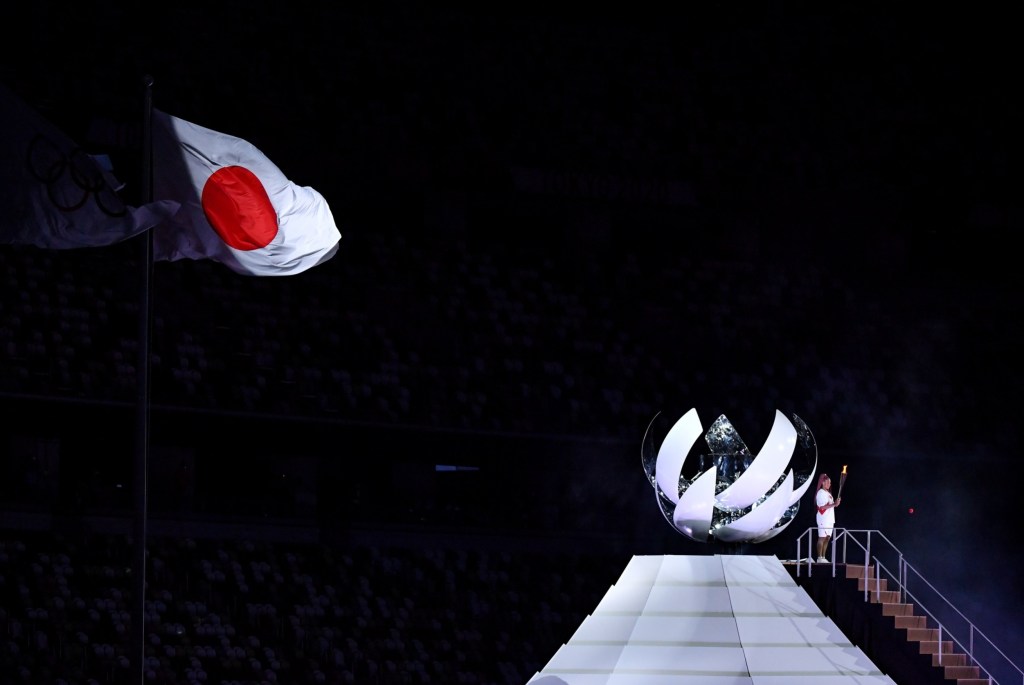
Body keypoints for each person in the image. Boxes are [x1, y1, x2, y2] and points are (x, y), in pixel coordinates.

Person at [814, 473, 841, 562]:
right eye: (827, 482)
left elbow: (831, 505)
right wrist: (834, 504)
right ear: (822, 482)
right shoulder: (820, 493)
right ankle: (819, 558)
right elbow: (822, 507)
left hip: (830, 519)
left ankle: (823, 557)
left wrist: (836, 503)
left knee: (828, 538)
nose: (829, 484)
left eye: (830, 483)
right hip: (823, 518)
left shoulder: (829, 494)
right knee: (822, 537)